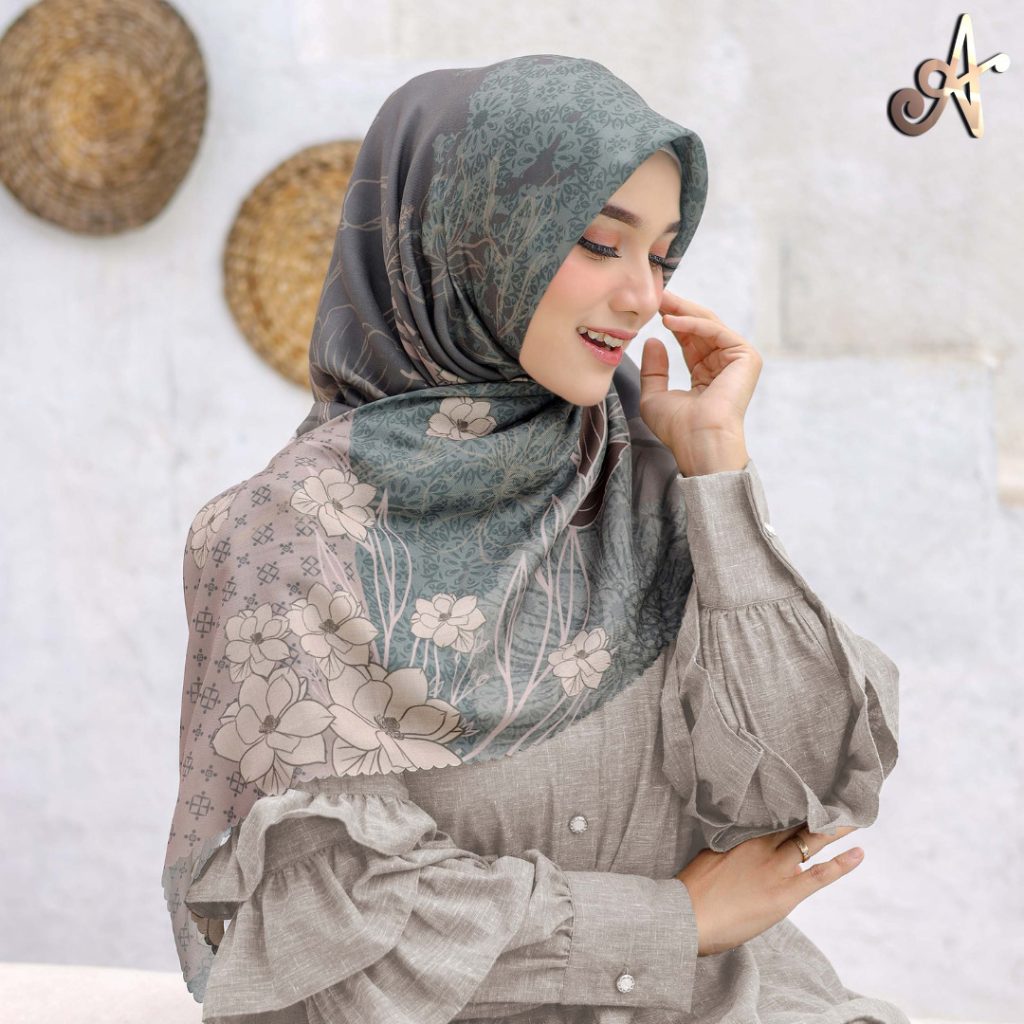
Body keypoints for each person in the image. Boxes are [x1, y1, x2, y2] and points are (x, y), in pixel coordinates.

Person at [163, 54, 908, 1023]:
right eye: (599, 242)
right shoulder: (288, 538)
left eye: (663, 257)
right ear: (468, 239)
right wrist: (672, 921)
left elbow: (801, 785)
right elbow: (328, 932)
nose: (643, 296)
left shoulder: (647, 477)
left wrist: (718, 473)